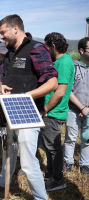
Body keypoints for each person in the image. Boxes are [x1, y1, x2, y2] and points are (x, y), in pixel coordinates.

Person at [0, 14, 58, 200]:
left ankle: (40, 197)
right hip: (9, 112)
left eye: (3, 32)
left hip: (28, 113)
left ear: (15, 29)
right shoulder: (10, 53)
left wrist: (26, 97)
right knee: (8, 151)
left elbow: (52, 82)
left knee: (27, 162)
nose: (1, 37)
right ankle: (2, 184)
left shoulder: (36, 49)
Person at [42, 32, 75, 191]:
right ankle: (50, 174)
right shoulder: (62, 60)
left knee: (54, 148)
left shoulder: (63, 62)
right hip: (52, 112)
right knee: (49, 147)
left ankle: (57, 180)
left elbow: (60, 92)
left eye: (46, 47)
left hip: (53, 113)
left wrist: (45, 109)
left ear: (53, 46)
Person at [64, 37, 89, 176]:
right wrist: (81, 108)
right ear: (81, 50)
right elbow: (68, 90)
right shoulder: (73, 67)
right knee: (70, 138)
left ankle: (85, 163)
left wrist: (87, 109)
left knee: (87, 138)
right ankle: (68, 162)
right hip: (73, 109)